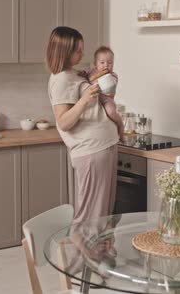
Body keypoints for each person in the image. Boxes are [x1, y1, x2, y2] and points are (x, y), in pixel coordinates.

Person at [46, 26, 120, 225]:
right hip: (91, 151)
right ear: (65, 51)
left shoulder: (72, 73)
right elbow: (63, 122)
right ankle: (80, 255)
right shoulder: (60, 79)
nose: (82, 54)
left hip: (104, 146)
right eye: (78, 50)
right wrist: (84, 100)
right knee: (89, 217)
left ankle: (100, 254)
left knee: (103, 217)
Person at [81, 46, 124, 142]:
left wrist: (104, 78)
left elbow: (110, 87)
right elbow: (85, 77)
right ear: (95, 64)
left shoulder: (112, 75)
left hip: (106, 99)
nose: (106, 65)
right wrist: (84, 74)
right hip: (94, 100)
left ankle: (120, 124)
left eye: (110, 63)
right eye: (102, 62)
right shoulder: (92, 72)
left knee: (111, 111)